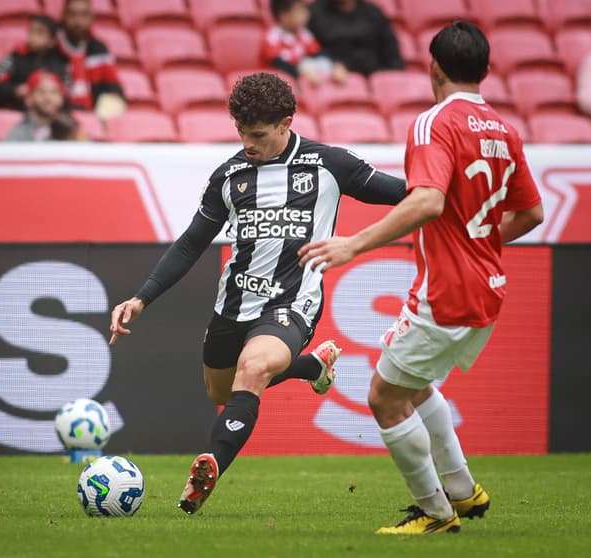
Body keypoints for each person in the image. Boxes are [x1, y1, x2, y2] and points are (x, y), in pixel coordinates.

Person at [108, 72, 407, 516]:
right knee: (221, 392)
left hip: (292, 303)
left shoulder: (329, 165)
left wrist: (455, 195)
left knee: (255, 367)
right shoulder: (229, 176)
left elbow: (405, 194)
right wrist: (141, 298)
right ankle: (312, 366)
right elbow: (191, 243)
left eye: (258, 135)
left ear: (287, 123)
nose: (247, 143)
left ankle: (208, 470)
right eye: (241, 132)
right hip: (233, 304)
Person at [298, 21, 544, 534]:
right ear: (486, 70)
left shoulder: (434, 123)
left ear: (432, 66)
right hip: (488, 284)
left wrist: (353, 243)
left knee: (385, 398)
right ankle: (464, 492)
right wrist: (478, 242)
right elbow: (532, 213)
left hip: (448, 289)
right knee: (416, 384)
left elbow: (428, 200)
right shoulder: (504, 128)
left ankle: (435, 513)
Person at [0, 14, 72, 112]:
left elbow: (67, 92)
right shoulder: (15, 57)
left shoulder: (61, 62)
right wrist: (15, 90)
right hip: (16, 111)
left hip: (51, 115)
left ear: (52, 41)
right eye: (31, 31)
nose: (33, 36)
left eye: (40, 33)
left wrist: (50, 94)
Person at [57, 0, 126, 118]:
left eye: (83, 15)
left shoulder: (99, 48)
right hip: (58, 117)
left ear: (91, 18)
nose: (78, 21)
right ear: (63, 16)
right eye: (72, 14)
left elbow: (113, 87)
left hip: (93, 118)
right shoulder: (52, 47)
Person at [307, 0, 404, 77]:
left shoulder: (373, 12)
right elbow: (308, 50)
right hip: (331, 77)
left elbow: (392, 54)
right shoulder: (314, 12)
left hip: (373, 75)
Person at [262, 0, 348, 86]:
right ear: (284, 16)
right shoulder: (273, 37)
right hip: (279, 84)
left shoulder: (303, 34)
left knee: (324, 64)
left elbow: (318, 52)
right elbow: (278, 64)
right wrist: (302, 72)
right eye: (300, 11)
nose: (307, 14)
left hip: (305, 74)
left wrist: (335, 65)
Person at [2, 69, 87, 141]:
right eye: (41, 92)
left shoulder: (72, 129)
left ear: (61, 98)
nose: (48, 98)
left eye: (54, 92)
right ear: (28, 99)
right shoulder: (18, 133)